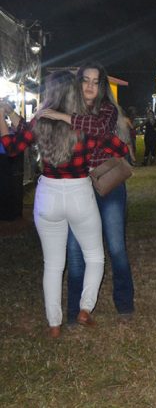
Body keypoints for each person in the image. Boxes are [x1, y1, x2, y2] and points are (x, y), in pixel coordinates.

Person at [0, 71, 129, 337]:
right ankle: (85, 308)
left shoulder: (40, 120)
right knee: (95, 257)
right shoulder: (85, 123)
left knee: (53, 264)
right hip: (79, 192)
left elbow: (12, 147)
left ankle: (54, 324)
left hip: (47, 193)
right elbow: (121, 150)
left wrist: (3, 117)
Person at [37, 63, 137, 325]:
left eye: (96, 81)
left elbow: (100, 130)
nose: (91, 86)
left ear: (102, 86)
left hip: (107, 182)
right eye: (85, 80)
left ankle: (124, 303)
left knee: (115, 246)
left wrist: (62, 117)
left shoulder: (106, 109)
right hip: (77, 187)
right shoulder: (68, 106)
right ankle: (74, 311)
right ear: (77, 82)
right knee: (74, 251)